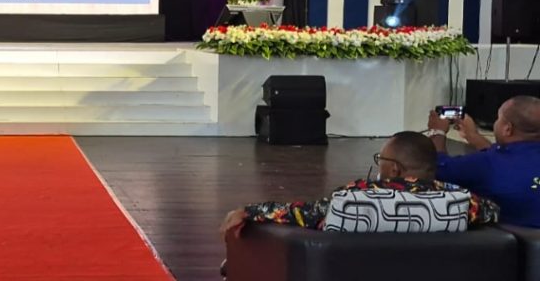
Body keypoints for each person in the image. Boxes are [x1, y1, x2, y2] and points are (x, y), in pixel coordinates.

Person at [220, 131, 498, 239]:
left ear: (394, 169)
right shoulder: (465, 203)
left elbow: (304, 213)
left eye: (381, 160)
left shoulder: (354, 197)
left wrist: (251, 211)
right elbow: (493, 212)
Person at [426, 95, 540, 227]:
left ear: (507, 129)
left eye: (498, 118)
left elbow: (436, 168)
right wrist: (473, 136)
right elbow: (509, 160)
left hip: (507, 237)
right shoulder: (495, 161)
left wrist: (437, 132)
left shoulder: (486, 165)